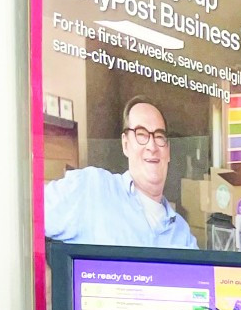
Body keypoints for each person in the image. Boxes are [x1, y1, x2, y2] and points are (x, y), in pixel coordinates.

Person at [44, 97, 198, 249]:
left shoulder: (182, 234)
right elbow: (25, 215)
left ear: (168, 151)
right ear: (125, 144)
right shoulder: (91, 188)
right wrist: (47, 272)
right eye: (141, 134)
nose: (152, 146)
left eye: (159, 136)